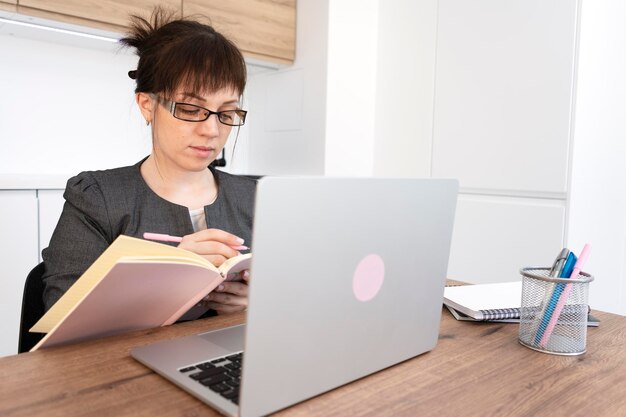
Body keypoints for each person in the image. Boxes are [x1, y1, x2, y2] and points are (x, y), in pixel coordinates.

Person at [41, 8, 256, 317]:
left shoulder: (257, 198)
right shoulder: (97, 199)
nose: (212, 129)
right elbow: (61, 314)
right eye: (190, 109)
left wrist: (255, 303)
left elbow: (299, 295)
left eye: (226, 112)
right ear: (147, 105)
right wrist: (166, 282)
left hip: (229, 361)